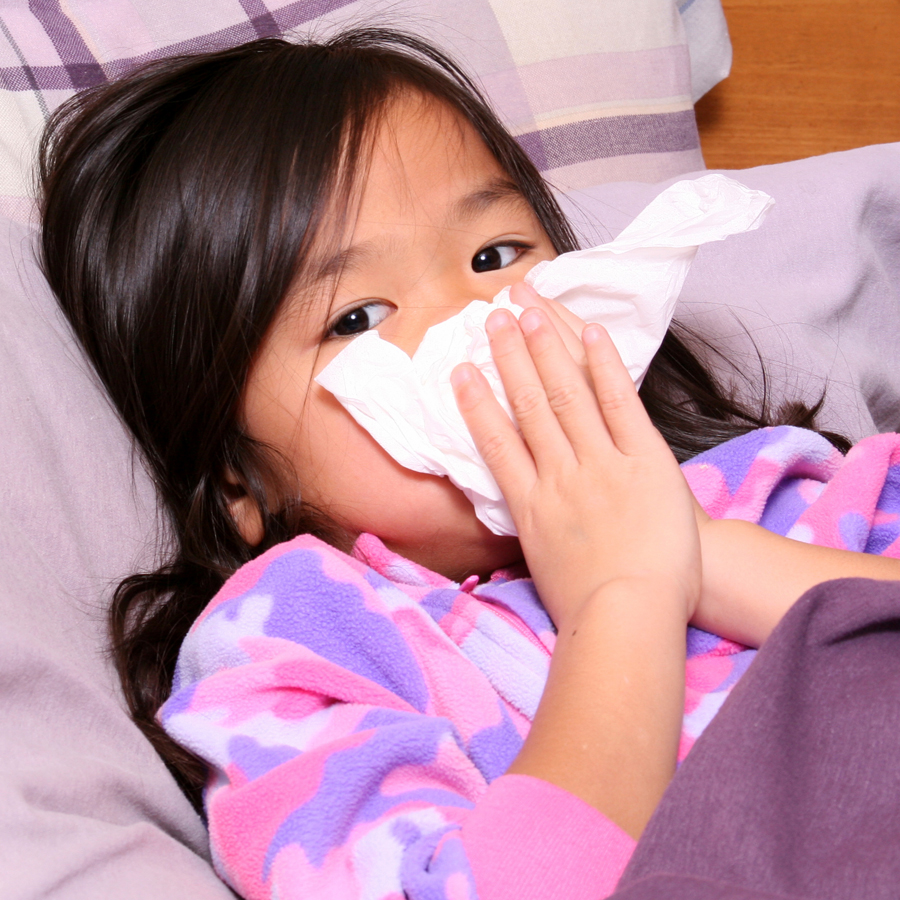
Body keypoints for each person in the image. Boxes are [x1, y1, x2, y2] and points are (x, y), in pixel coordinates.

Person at [37, 29, 900, 900]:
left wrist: (698, 553)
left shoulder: (777, 485)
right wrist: (623, 596)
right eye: (359, 317)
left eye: (497, 257)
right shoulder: (301, 649)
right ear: (239, 482)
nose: (482, 321)